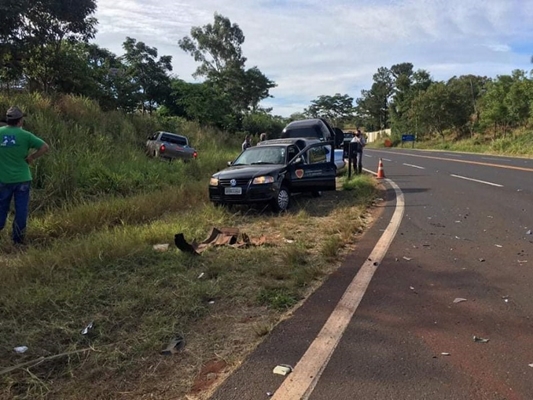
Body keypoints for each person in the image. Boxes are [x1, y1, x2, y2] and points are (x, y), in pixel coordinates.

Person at [0, 106, 49, 245]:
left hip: (3, 178)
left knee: (1, 206)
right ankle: (18, 241)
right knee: (21, 210)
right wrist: (32, 157)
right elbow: (45, 147)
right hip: (22, 179)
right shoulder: (26, 135)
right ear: (20, 121)